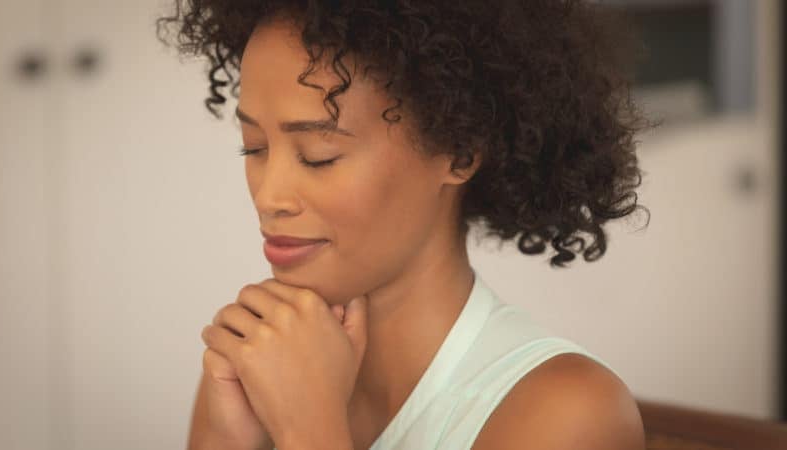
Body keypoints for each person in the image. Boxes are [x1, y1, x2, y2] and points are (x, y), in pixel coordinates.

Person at [157, 1, 655, 449]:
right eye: (255, 148)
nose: (269, 197)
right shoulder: (255, 361)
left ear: (457, 151)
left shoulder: (570, 415)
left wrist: (308, 431)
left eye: (318, 156)